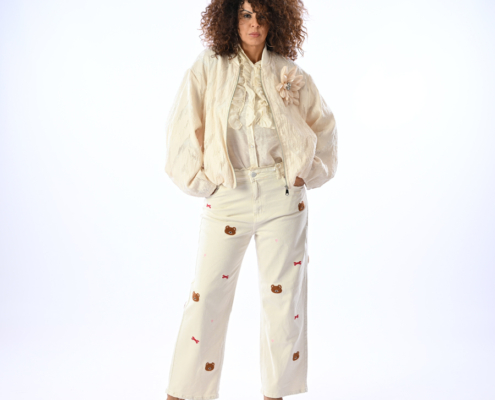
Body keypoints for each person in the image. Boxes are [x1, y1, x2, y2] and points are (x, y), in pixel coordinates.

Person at [164, 0, 338, 399]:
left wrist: (306, 173)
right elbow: (183, 124)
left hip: (283, 197)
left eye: (261, 14)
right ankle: (184, 393)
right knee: (206, 295)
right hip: (229, 193)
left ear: (275, 19)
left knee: (284, 301)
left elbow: (324, 125)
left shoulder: (290, 73)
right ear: (230, 18)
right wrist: (203, 181)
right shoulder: (209, 66)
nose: (254, 23)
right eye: (245, 14)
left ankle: (276, 393)